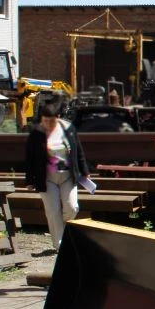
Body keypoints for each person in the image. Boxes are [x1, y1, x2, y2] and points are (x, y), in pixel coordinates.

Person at [24, 97, 91, 252]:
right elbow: (30, 158)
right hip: (47, 178)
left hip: (67, 175)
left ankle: (66, 230)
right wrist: (29, 180)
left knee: (72, 207)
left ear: (59, 118)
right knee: (53, 212)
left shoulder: (69, 129)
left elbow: (78, 151)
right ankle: (60, 245)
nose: (48, 124)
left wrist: (85, 171)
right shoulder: (36, 133)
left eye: (51, 121)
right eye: (45, 121)